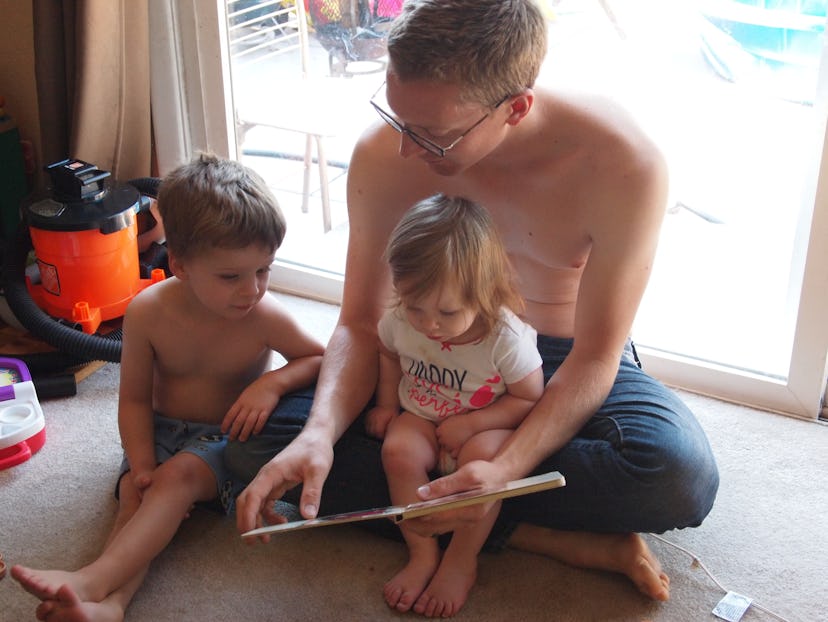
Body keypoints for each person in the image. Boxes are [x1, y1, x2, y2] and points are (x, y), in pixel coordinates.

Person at [227, 0, 720, 606]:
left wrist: (507, 467)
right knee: (257, 444)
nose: (406, 149)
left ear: (516, 108)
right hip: (421, 356)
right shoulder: (387, 151)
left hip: (553, 360)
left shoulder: (621, 165)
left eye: (433, 135)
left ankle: (478, 505)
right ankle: (539, 533)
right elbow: (359, 323)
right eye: (396, 116)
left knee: (677, 475)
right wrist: (321, 433)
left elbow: (598, 357)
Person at [11, 153, 325, 622]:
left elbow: (320, 357)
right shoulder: (147, 312)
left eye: (264, 270)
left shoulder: (264, 315)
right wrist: (139, 462)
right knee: (138, 499)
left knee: (173, 481)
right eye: (230, 276)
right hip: (156, 431)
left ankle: (90, 580)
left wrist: (273, 384)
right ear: (178, 263)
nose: (252, 289)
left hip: (221, 441)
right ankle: (111, 606)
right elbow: (134, 397)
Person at [366, 194, 544, 616]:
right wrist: (386, 403)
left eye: (447, 312)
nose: (428, 324)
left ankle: (461, 559)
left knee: (483, 462)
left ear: (482, 293)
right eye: (415, 307)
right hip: (421, 415)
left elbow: (529, 397)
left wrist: (472, 424)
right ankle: (422, 552)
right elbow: (389, 354)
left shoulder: (505, 339)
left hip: (484, 426)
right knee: (396, 450)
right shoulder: (398, 322)